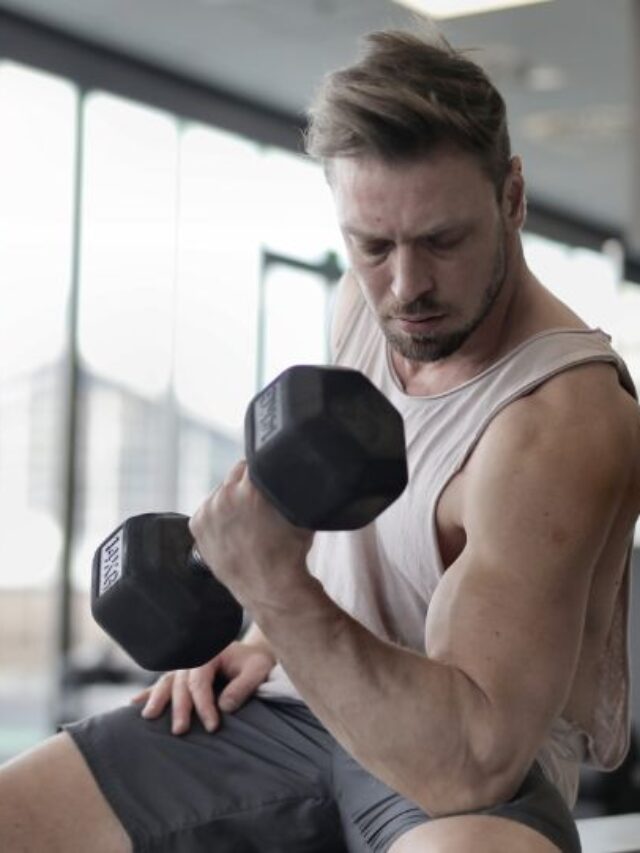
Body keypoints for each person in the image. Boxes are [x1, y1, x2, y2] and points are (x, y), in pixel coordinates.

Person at [1, 26, 639, 853]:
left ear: (512, 196)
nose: (407, 286)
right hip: (300, 705)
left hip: (454, 771)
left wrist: (271, 591)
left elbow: (473, 760)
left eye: (443, 241)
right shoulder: (368, 304)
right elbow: (360, 544)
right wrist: (262, 640)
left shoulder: (561, 421)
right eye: (373, 245)